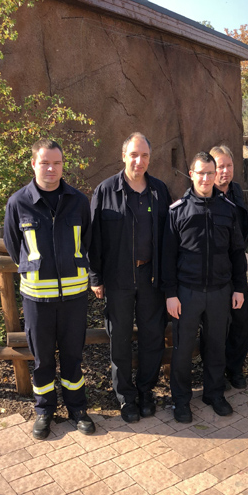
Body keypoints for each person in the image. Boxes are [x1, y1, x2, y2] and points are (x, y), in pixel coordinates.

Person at [3, 139, 95, 439]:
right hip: (37, 299)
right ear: (33, 164)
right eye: (45, 162)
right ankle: (44, 410)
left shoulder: (79, 201)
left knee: (72, 356)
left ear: (63, 164)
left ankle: (77, 408)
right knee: (42, 358)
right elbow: (12, 244)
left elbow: (89, 242)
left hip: (74, 298)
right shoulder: (18, 203)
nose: (51, 168)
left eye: (56, 162)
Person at [89, 133, 171, 423]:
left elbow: (168, 239)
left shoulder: (160, 191)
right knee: (120, 340)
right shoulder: (105, 191)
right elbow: (94, 238)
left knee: (152, 337)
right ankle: (125, 397)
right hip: (118, 277)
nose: (139, 161)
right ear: (123, 156)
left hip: (151, 277)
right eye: (134, 155)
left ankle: (146, 391)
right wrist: (95, 277)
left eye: (145, 155)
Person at [162, 152, 247, 422]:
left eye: (210, 173)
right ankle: (181, 400)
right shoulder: (178, 211)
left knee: (216, 345)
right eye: (201, 173)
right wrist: (170, 294)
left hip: (221, 290)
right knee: (183, 349)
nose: (207, 178)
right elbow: (167, 257)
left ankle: (214, 393)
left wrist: (239, 288)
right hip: (187, 293)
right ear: (191, 174)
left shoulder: (228, 209)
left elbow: (237, 252)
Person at [207, 145, 248, 389]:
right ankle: (215, 374)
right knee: (215, 325)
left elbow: (245, 219)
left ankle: (234, 369)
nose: (224, 172)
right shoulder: (204, 195)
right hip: (213, 272)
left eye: (228, 166)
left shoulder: (237, 191)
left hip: (237, 268)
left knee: (241, 320)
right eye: (219, 167)